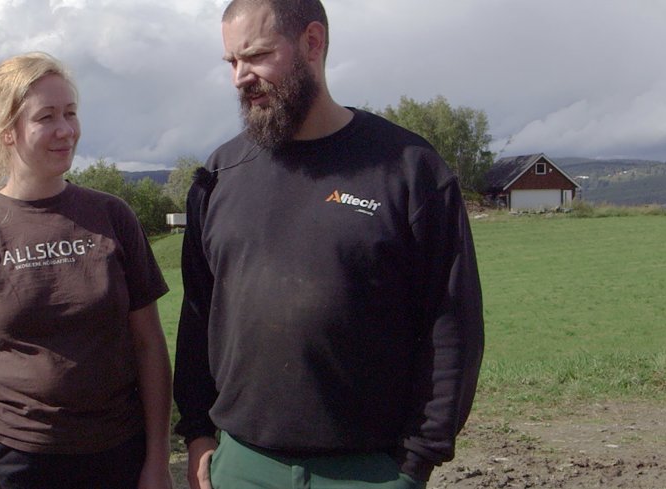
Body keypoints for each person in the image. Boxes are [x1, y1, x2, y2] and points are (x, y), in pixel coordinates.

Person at [173, 1, 485, 488]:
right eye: (231, 62)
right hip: (240, 466)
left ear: (312, 43)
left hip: (369, 471)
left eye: (255, 55)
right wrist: (197, 433)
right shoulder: (218, 176)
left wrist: (414, 464)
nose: (240, 77)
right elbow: (197, 315)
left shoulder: (408, 169)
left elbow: (452, 329)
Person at [0, 52, 174, 489]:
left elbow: (149, 346)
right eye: (46, 117)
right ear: (7, 133)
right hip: (13, 460)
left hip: (117, 453)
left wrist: (156, 459)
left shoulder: (113, 217)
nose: (66, 130)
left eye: (71, 114)